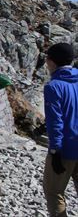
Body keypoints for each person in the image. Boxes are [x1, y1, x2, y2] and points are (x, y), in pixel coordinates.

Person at [42, 42, 78, 217]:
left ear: (52, 62)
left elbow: (56, 122)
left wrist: (55, 150)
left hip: (65, 148)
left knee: (54, 192)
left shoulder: (53, 86)